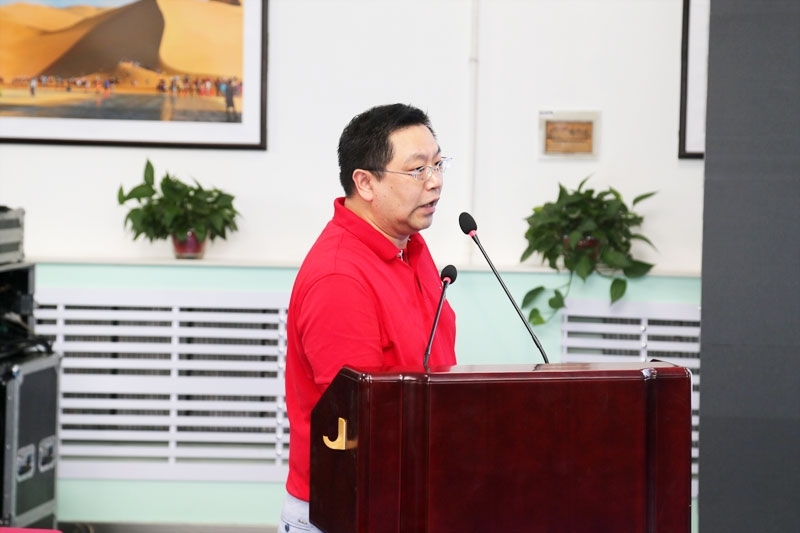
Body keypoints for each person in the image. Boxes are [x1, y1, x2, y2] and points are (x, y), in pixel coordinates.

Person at [280, 103, 457, 532]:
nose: (435, 181)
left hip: (408, 495)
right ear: (365, 183)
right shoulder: (339, 277)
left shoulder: (409, 246)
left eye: (438, 164)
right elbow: (360, 424)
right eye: (417, 170)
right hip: (353, 508)